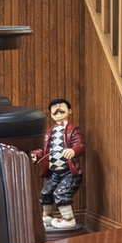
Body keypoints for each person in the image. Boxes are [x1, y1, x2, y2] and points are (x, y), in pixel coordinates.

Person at [38, 99, 85, 231]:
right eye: (54, 108)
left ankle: (68, 219)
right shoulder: (48, 132)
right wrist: (36, 155)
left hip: (69, 172)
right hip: (53, 172)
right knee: (46, 193)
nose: (57, 108)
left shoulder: (73, 130)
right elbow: (43, 150)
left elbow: (80, 146)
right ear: (51, 114)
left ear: (69, 111)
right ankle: (46, 216)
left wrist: (73, 150)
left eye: (61, 107)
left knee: (61, 193)